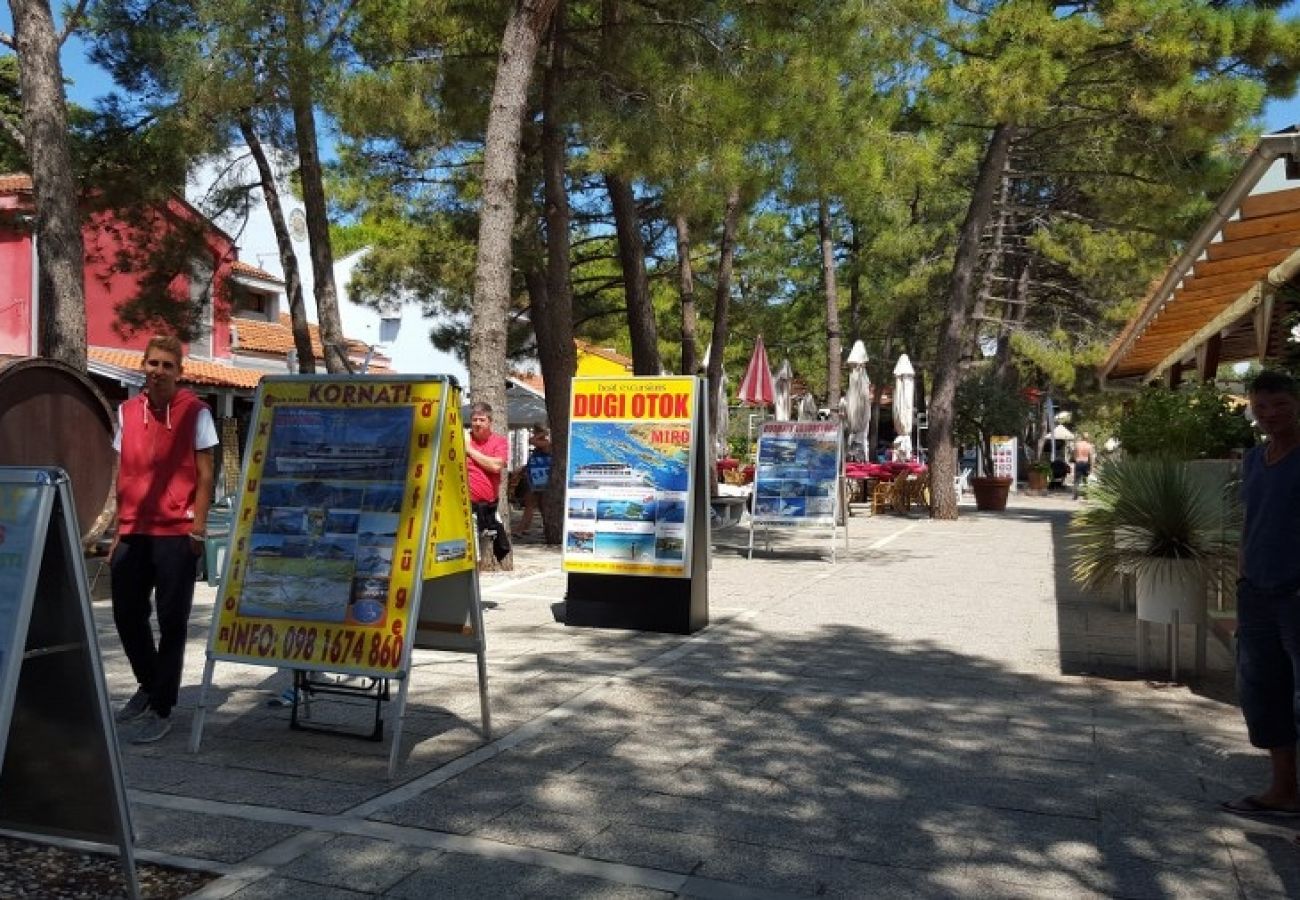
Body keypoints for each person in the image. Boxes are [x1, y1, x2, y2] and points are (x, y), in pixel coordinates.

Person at [110, 335, 218, 744]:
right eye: (152, 363)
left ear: (179, 372)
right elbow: (122, 472)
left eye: (166, 366)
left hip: (178, 532)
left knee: (172, 622)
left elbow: (206, 474)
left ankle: (161, 707)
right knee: (126, 614)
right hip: (134, 530)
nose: (157, 371)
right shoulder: (126, 412)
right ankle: (148, 683)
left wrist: (199, 527)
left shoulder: (197, 412)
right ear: (143, 365)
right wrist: (116, 528)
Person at [1223, 370, 1300, 818]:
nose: (1270, 415)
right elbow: (1250, 523)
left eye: (1280, 405)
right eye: (1261, 407)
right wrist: (1242, 578)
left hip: (1296, 595)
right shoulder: (1254, 459)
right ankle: (1284, 789)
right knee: (1263, 695)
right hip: (1256, 594)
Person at [465, 401, 511, 563]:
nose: (477, 423)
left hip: (488, 508)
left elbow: (495, 466)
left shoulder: (499, 442)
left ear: (490, 422)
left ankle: (475, 585)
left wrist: (470, 450)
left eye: (482, 420)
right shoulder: (462, 439)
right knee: (471, 556)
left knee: (485, 554)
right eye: (475, 419)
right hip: (465, 507)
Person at [512, 423, 552, 537]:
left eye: (535, 432)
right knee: (534, 505)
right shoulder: (538, 448)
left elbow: (531, 440)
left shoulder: (546, 444)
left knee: (530, 504)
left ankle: (521, 528)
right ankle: (526, 527)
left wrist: (543, 433)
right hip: (535, 477)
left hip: (540, 479)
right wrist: (523, 469)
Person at [1072, 432, 1094, 499]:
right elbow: (1090, 457)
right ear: (1087, 438)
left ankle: (1075, 495)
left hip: (1078, 463)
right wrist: (1091, 467)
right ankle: (1086, 495)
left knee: (1076, 480)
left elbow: (1074, 454)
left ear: (1082, 437)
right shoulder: (1089, 446)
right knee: (1085, 480)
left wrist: (1075, 460)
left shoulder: (1077, 445)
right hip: (1085, 463)